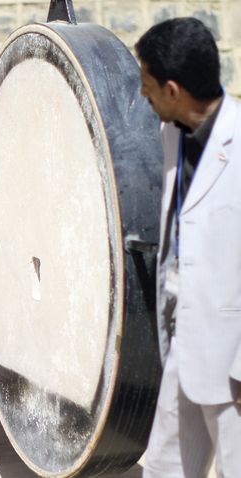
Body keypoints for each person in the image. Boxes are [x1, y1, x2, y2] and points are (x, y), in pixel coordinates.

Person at [135, 17, 241, 477]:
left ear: (173, 89)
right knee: (164, 466)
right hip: (186, 340)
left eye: (147, 84)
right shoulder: (172, 135)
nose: (143, 95)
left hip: (235, 362)